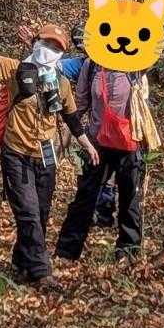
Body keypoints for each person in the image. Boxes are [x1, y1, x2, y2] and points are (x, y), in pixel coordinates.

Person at [0, 22, 99, 292]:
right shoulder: (16, 70)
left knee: (41, 213)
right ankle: (42, 272)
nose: (50, 51)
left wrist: (87, 145)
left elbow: (71, 118)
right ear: (37, 43)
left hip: (46, 156)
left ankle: (22, 262)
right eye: (46, 44)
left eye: (57, 48)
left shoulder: (61, 83)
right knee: (29, 212)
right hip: (16, 154)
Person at [54, 55, 154, 264]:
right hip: (97, 144)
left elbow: (152, 48)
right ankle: (66, 251)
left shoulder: (136, 63)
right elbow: (80, 104)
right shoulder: (91, 65)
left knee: (129, 199)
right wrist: (66, 137)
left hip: (129, 143)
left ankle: (128, 253)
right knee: (85, 196)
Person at [60, 24, 115, 228]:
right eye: (80, 44)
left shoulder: (126, 63)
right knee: (91, 173)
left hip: (122, 134)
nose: (84, 46)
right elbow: (80, 103)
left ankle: (105, 215)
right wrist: (68, 132)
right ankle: (88, 215)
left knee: (112, 176)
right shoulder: (86, 65)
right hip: (96, 133)